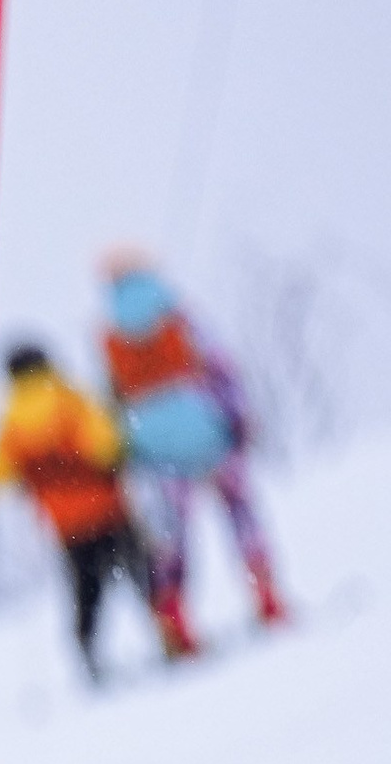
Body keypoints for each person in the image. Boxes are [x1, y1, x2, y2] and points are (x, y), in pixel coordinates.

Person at [100, 254, 289, 645]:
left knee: (172, 535)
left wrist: (132, 450)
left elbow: (113, 402)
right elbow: (220, 367)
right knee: (241, 514)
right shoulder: (177, 317)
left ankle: (175, 619)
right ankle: (266, 595)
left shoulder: (112, 336)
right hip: (208, 430)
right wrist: (237, 418)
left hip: (157, 450)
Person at [0, 341, 164, 678]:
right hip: (108, 509)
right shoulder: (71, 399)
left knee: (86, 589)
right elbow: (105, 447)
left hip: (65, 525)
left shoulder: (10, 422)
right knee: (142, 571)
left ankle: (87, 650)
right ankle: (168, 628)